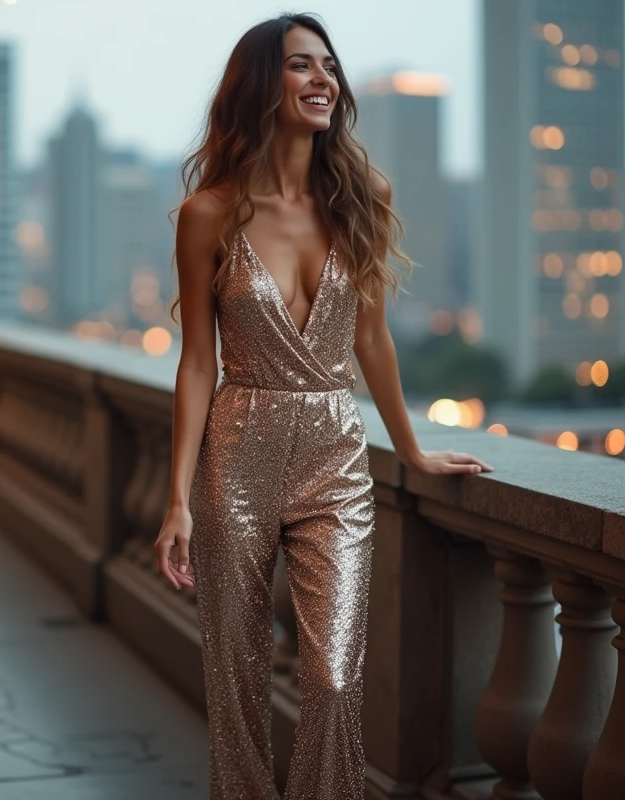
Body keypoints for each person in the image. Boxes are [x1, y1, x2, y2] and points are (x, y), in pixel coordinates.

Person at [152, 12, 494, 800]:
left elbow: (372, 341)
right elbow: (198, 363)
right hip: (235, 455)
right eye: (302, 66)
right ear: (260, 85)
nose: (323, 81)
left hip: (336, 457)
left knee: (336, 678)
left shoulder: (360, 196)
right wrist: (178, 499)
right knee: (234, 676)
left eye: (329, 68)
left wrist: (410, 449)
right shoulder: (211, 213)